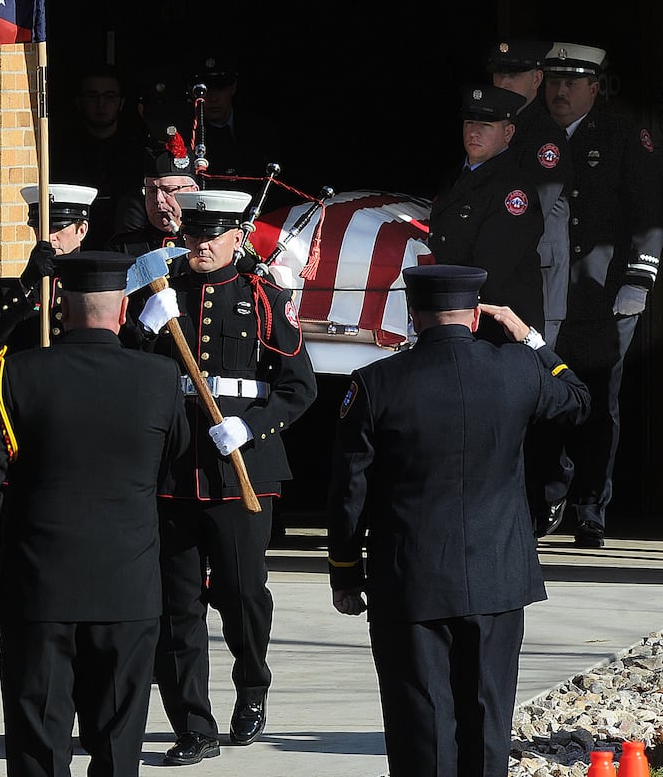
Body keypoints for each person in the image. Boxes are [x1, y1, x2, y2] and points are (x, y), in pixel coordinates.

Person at [327, 265, 591, 777]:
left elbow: (348, 492)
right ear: (475, 316)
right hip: (498, 577)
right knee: (488, 720)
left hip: (410, 584)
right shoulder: (519, 368)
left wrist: (344, 571)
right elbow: (578, 400)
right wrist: (533, 341)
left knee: (420, 725)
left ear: (412, 315)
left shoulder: (375, 383)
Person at [0, 251, 189, 777]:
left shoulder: (19, 372)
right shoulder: (159, 376)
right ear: (122, 310)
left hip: (38, 582)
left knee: (39, 736)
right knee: (116, 740)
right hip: (128, 582)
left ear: (61, 307)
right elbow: (171, 468)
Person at [136, 188, 317, 763]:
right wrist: (143, 328)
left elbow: (299, 388)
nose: (201, 245)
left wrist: (252, 428)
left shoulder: (264, 297)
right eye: (193, 234)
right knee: (176, 603)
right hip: (174, 466)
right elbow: (124, 374)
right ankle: (193, 723)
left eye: (213, 234)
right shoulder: (165, 294)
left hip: (241, 467)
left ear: (238, 235)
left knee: (241, 593)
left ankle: (252, 686)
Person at [535, 43, 663, 548]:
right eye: (553, 81)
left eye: (571, 83)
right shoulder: (529, 135)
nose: (560, 91)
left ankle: (590, 507)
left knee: (600, 402)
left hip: (603, 292)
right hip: (545, 292)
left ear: (594, 87)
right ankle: (548, 494)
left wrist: (640, 278)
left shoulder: (624, 136)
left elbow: (649, 210)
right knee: (543, 398)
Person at [427, 85, 544, 343]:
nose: (474, 132)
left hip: (495, 330)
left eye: (487, 125)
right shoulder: (458, 175)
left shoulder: (513, 191)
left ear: (508, 132)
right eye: (469, 122)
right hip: (459, 320)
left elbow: (488, 272)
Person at [489, 38, 568, 346]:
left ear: (537, 79)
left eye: (514, 75)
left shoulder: (545, 137)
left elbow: (527, 210)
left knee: (535, 375)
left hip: (536, 280)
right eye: (499, 74)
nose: (504, 82)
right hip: (499, 275)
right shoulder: (492, 127)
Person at [0, 182, 97, 353]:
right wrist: (26, 283)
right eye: (40, 228)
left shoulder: (96, 291)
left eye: (58, 227)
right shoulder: (9, 292)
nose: (48, 236)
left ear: (82, 230)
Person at [50, 66, 146, 247]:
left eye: (109, 96)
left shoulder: (138, 151)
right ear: (79, 102)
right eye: (92, 96)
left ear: (121, 103)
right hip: (76, 242)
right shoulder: (61, 152)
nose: (101, 104)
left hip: (127, 242)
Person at [108, 139, 197, 259]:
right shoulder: (122, 248)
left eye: (168, 190)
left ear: (193, 191)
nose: (158, 199)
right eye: (151, 190)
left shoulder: (205, 247)